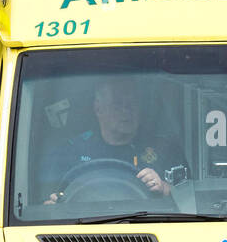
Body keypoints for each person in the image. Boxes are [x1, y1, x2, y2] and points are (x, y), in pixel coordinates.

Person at [42, 77, 185, 205]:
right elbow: (47, 202)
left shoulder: (163, 148)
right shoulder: (69, 152)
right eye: (117, 104)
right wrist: (53, 205)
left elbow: (189, 197)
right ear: (98, 109)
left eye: (132, 103)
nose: (126, 111)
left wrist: (163, 188)